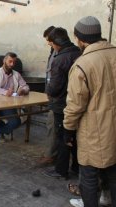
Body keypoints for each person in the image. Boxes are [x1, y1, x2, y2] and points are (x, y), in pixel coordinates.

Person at [63, 16, 116, 207]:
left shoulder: (83, 64)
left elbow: (75, 105)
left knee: (89, 176)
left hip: (95, 132)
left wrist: (67, 129)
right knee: (112, 171)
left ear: (80, 38)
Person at [43, 27, 81, 179]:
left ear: (55, 43)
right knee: (75, 137)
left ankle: (61, 170)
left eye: (50, 44)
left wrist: (48, 90)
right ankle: (76, 168)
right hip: (76, 102)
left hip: (62, 104)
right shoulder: (79, 53)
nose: (51, 47)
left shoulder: (60, 59)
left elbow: (55, 87)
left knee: (62, 138)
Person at [0, 52, 29, 142]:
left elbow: (25, 86)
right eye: (10, 61)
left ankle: (0, 131)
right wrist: (5, 92)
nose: (12, 64)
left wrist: (23, 90)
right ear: (4, 61)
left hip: (7, 105)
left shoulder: (16, 74)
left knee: (16, 122)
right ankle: (1, 129)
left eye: (14, 62)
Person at [38, 25, 59, 165]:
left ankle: (50, 155)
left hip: (57, 97)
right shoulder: (53, 52)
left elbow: (56, 78)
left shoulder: (60, 54)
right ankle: (51, 152)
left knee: (52, 125)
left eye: (49, 41)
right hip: (52, 95)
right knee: (52, 125)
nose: (48, 43)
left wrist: (51, 92)